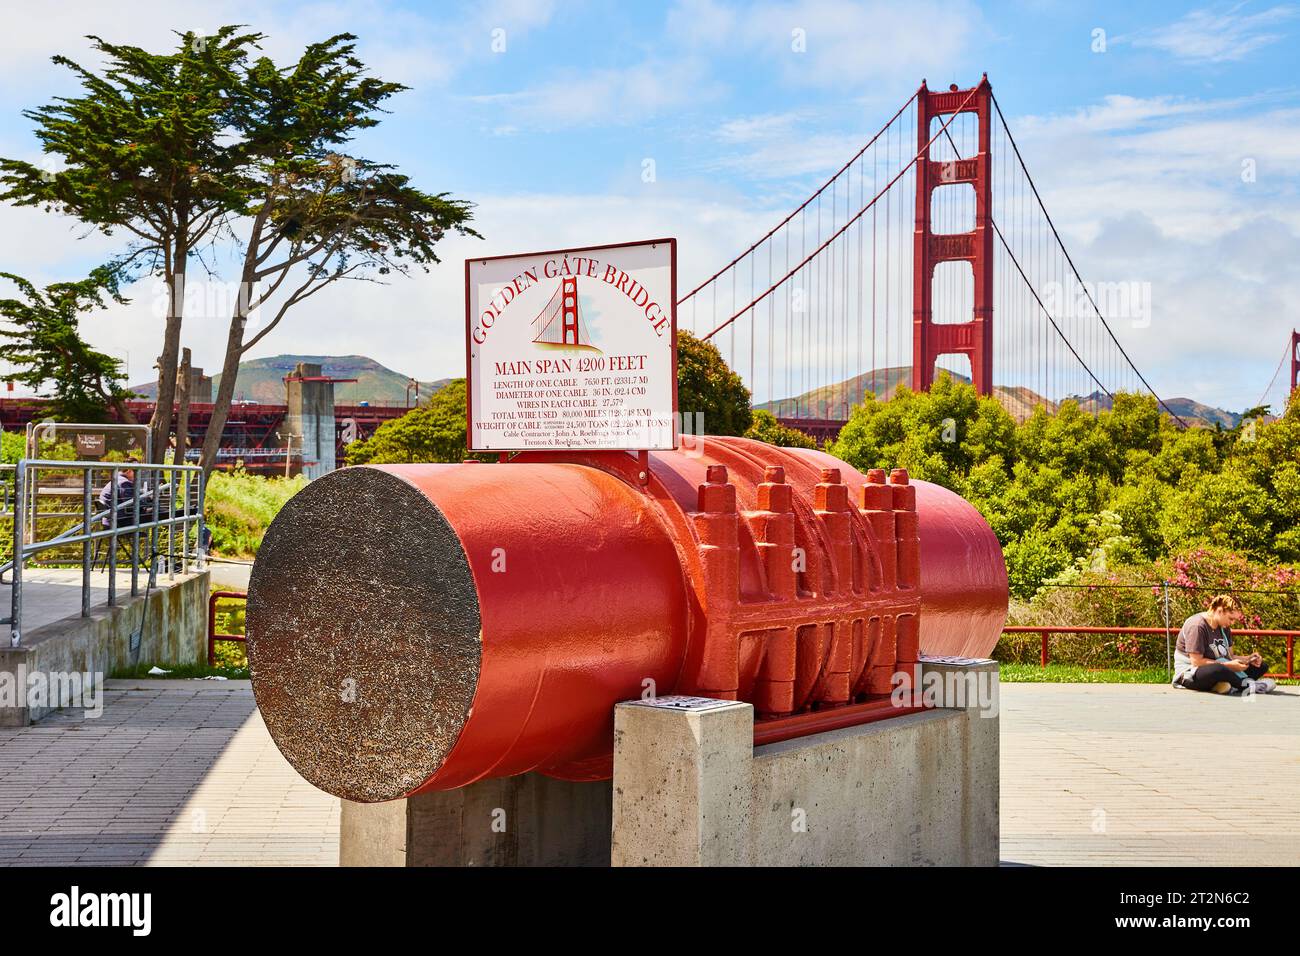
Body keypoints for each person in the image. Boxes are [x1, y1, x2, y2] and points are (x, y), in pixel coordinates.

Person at [1172, 594, 1276, 695]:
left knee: (1261, 666)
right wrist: (1229, 666)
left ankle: (1223, 685)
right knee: (1219, 669)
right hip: (1190, 673)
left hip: (1219, 666)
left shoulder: (1224, 627)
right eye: (1231, 618)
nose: (1232, 623)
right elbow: (1197, 662)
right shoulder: (1197, 626)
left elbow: (1230, 656)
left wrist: (1248, 659)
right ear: (1220, 611)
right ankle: (1250, 686)